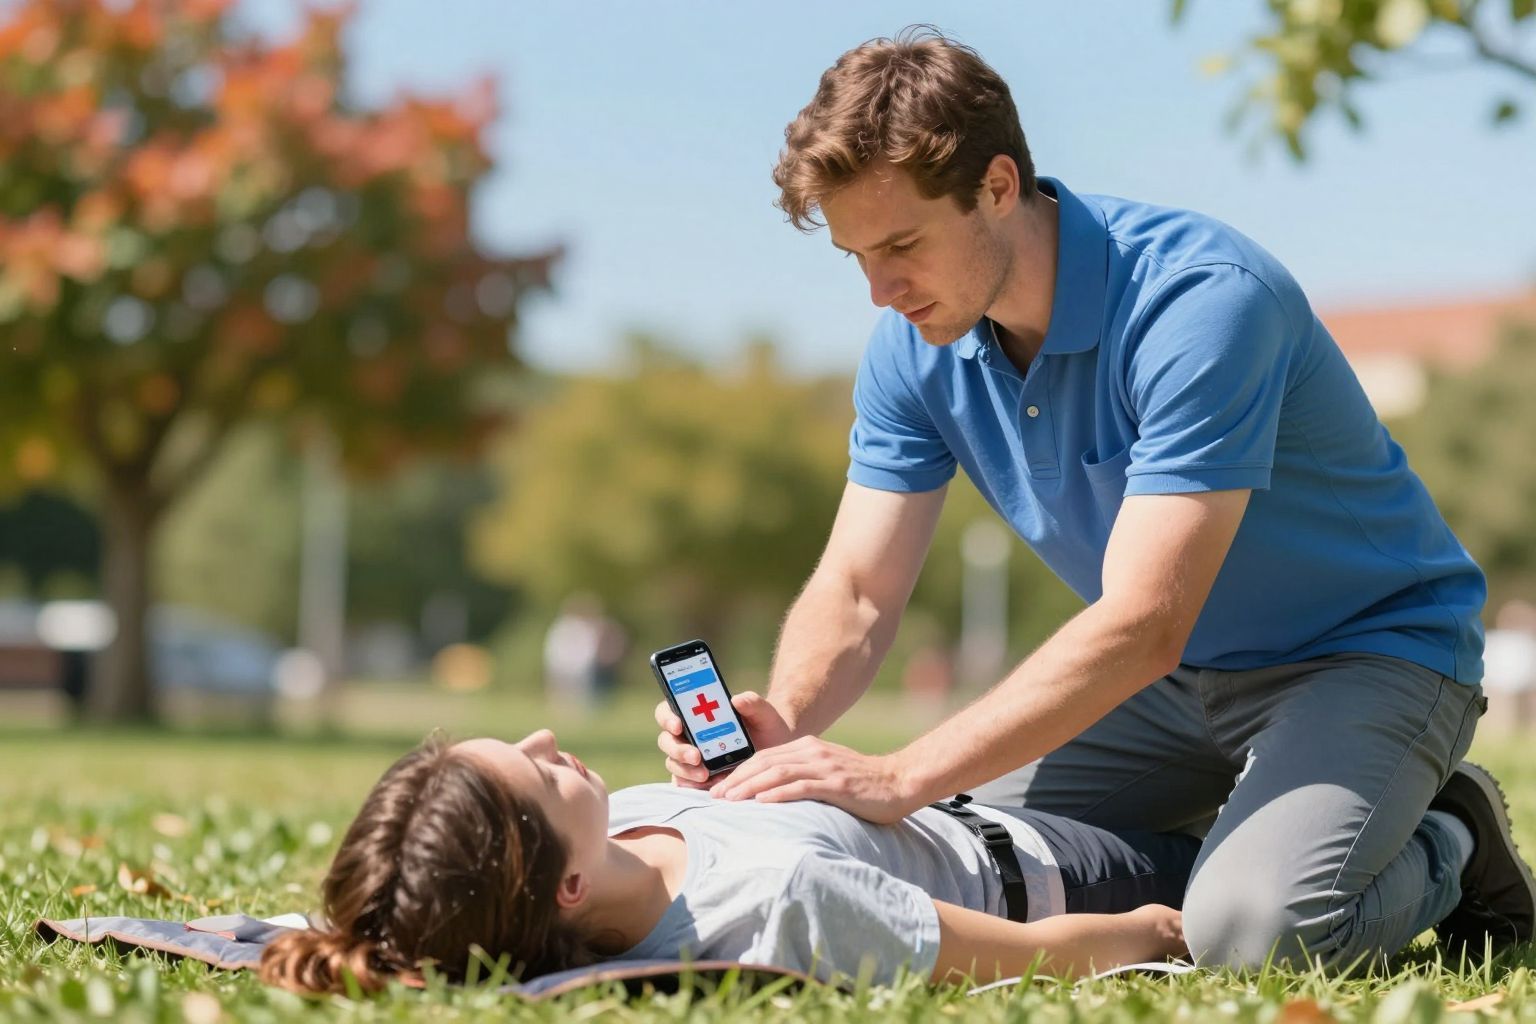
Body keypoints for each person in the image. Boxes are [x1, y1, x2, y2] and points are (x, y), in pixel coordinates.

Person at [655, 28, 1535, 969]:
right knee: (955, 860)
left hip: (1365, 655)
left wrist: (901, 772)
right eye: (856, 256)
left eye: (902, 244)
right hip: (1171, 684)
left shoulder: (1198, 302)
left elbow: (1145, 618)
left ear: (998, 186)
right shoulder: (916, 346)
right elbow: (861, 590)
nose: (880, 290)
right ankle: (1243, 859)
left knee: (1252, 938)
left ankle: (1453, 834)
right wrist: (786, 724)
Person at [260, 729, 1201, 994]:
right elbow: (1020, 954)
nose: (549, 737)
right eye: (542, 772)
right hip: (1064, 870)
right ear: (568, 887)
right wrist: (1166, 929)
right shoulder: (777, 904)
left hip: (970, 804)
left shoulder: (617, 830)